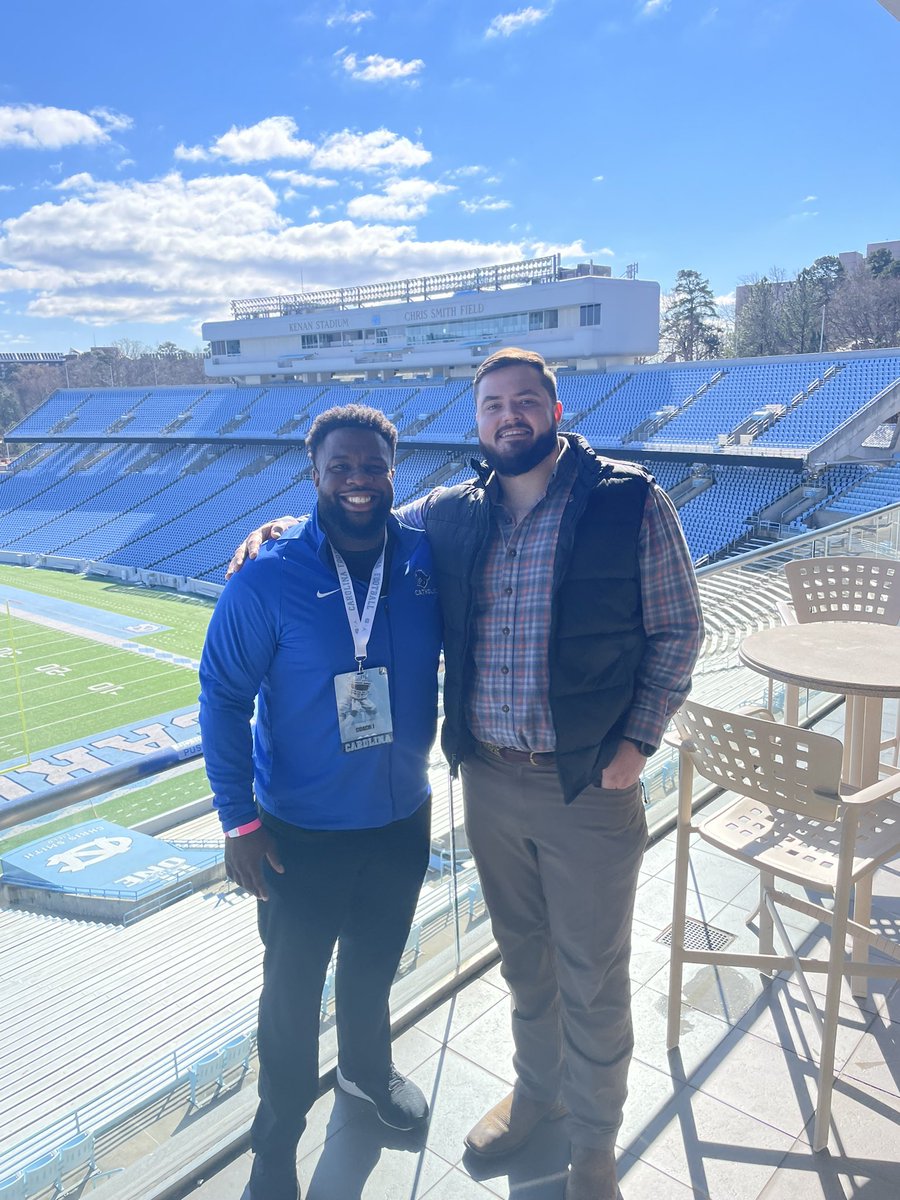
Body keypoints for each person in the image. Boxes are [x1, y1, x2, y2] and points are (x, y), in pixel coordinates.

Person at [230, 349, 703, 1200]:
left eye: (526, 401)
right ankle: (536, 1094)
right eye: (493, 405)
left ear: (556, 409)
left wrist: (638, 744)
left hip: (586, 785)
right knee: (524, 959)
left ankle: (594, 1147)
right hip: (486, 779)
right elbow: (361, 509)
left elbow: (679, 629)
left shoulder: (628, 500)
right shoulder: (455, 515)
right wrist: (275, 532)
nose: (509, 416)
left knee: (591, 973)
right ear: (477, 422)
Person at [200, 405, 441, 1200]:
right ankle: (276, 1148)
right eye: (341, 466)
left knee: (373, 972)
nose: (358, 481)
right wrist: (238, 820)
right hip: (298, 836)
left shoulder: (425, 560)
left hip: (402, 820)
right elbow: (222, 698)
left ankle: (368, 1076)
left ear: (392, 470)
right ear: (315, 475)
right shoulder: (266, 576)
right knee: (291, 1003)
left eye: (372, 465)